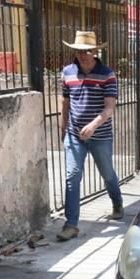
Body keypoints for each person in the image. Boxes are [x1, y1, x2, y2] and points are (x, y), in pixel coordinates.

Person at [57, 30, 123, 242]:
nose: (83, 55)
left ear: (95, 51)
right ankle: (71, 224)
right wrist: (63, 127)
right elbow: (65, 102)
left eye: (87, 51)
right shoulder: (67, 72)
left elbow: (110, 108)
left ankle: (117, 201)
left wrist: (94, 125)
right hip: (74, 135)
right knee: (72, 176)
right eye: (79, 51)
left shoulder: (107, 74)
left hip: (100, 135)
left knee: (107, 173)